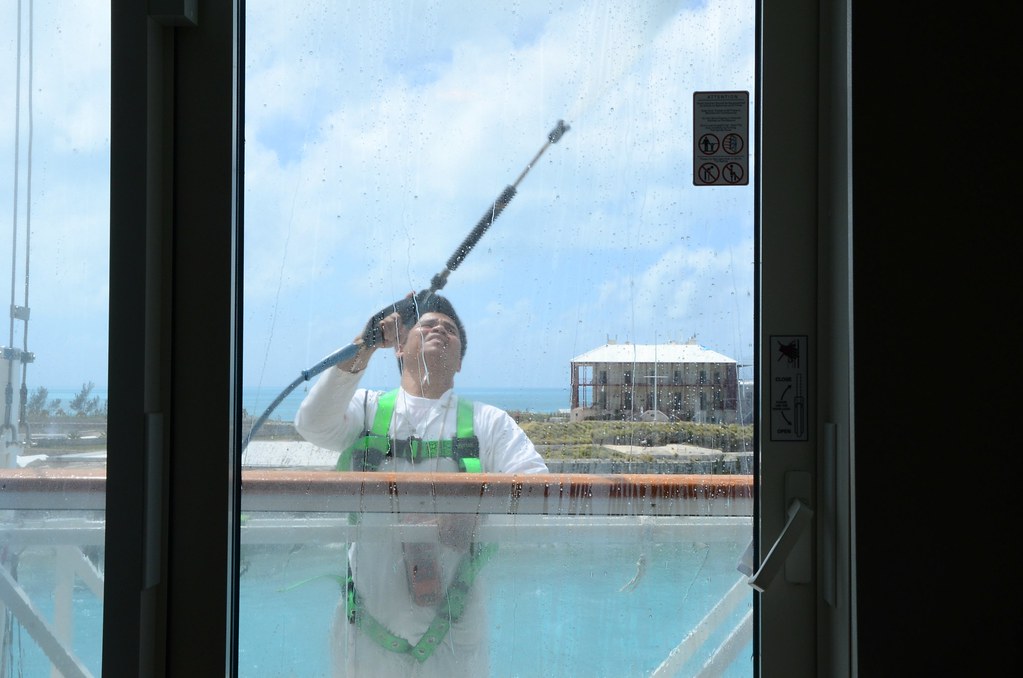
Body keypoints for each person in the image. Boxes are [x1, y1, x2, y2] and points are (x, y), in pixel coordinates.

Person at [294, 293, 548, 677]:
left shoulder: (490, 423)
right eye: (426, 325)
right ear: (399, 348)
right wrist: (365, 343)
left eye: (450, 330)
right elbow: (312, 423)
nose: (438, 330)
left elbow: (538, 489)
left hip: (456, 638)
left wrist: (473, 514)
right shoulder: (364, 409)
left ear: (460, 361)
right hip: (364, 634)